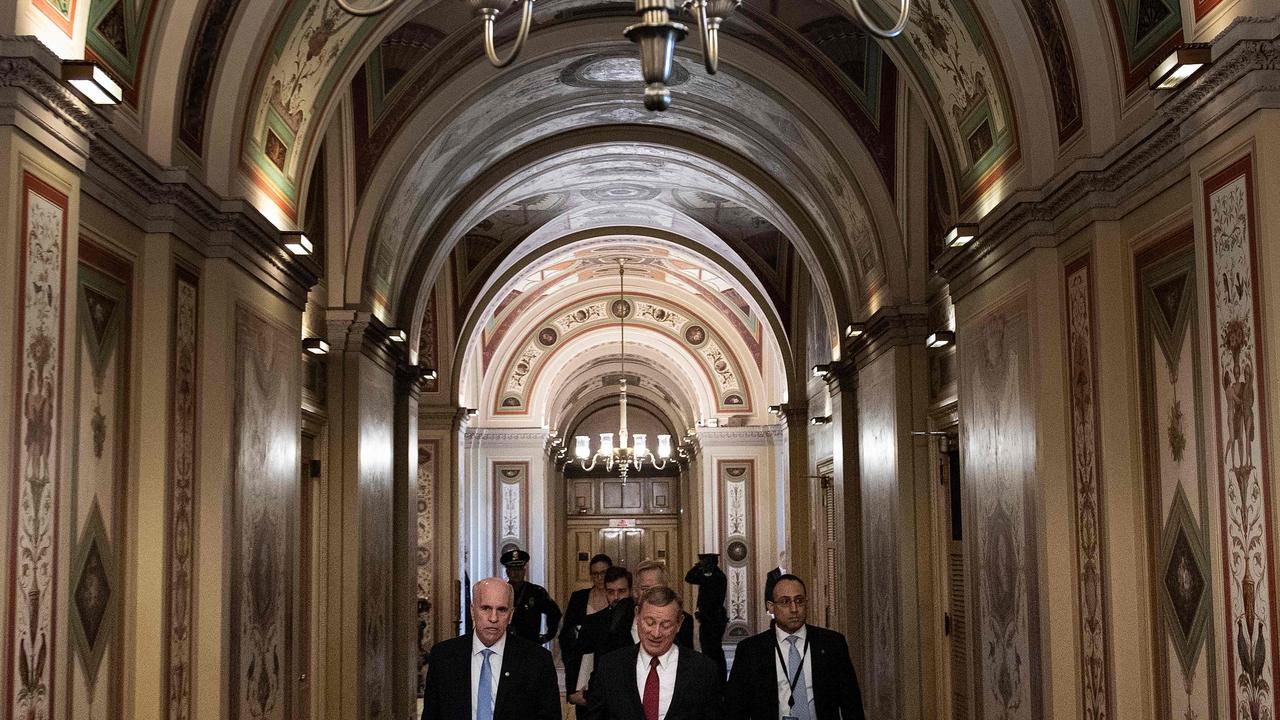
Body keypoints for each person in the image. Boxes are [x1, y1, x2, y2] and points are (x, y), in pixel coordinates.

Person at [724, 574, 865, 720]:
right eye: (785, 602)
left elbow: (852, 704)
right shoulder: (750, 650)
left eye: (799, 601)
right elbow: (735, 708)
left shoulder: (832, 644)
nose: (794, 609)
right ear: (771, 607)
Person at [420, 577, 561, 720]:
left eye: (502, 610)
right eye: (485, 608)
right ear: (472, 610)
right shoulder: (443, 657)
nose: (493, 618)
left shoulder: (537, 660)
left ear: (511, 615)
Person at [584, 586, 723, 720]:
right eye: (649, 623)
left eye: (666, 625)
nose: (656, 633)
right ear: (637, 616)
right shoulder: (610, 667)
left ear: (679, 624)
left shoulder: (703, 670)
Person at [569, 566, 636, 706]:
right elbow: (577, 660)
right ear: (605, 592)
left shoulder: (641, 620)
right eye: (611, 592)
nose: (616, 597)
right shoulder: (593, 622)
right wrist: (572, 694)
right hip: (602, 698)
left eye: (622, 591)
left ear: (630, 591)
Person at [561, 553, 614, 699]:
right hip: (582, 664)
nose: (599, 578)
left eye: (603, 573)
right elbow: (566, 634)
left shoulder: (617, 599)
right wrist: (570, 659)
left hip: (608, 664)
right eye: (595, 574)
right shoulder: (579, 598)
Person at [500, 548, 561, 645]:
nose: (516, 573)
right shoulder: (500, 592)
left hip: (530, 643)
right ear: (507, 572)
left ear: (524, 571)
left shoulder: (536, 592)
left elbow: (554, 613)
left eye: (519, 569)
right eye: (513, 569)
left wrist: (548, 635)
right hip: (505, 643)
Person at [685, 553, 728, 679]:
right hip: (709, 618)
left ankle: (717, 678)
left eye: (705, 562)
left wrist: (698, 567)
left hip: (713, 619)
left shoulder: (717, 577)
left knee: (713, 651)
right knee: (711, 650)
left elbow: (691, 577)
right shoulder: (713, 576)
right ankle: (715, 677)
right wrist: (699, 567)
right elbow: (689, 578)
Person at [633, 561, 694, 649]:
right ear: (635, 591)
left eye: (657, 588)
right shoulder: (620, 620)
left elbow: (687, 658)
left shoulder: (684, 621)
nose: (651, 594)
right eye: (645, 589)